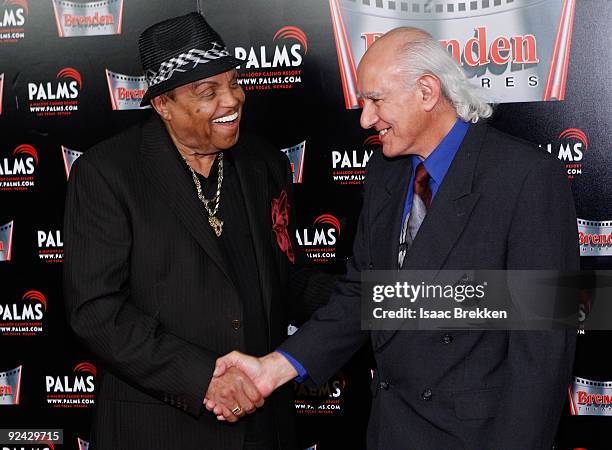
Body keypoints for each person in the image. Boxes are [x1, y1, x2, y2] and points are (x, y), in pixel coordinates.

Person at [212, 27, 579, 449]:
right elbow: (366, 297)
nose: (366, 119)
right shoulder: (385, 172)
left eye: (375, 100)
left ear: (426, 92)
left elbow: (545, 350)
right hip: (391, 431)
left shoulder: (526, 178)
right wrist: (274, 368)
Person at [63, 12, 331, 450]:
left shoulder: (264, 164)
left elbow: (286, 279)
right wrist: (203, 378)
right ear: (163, 105)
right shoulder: (108, 173)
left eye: (233, 83)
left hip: (263, 428)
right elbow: (96, 309)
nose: (232, 101)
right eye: (208, 92)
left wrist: (371, 304)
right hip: (158, 429)